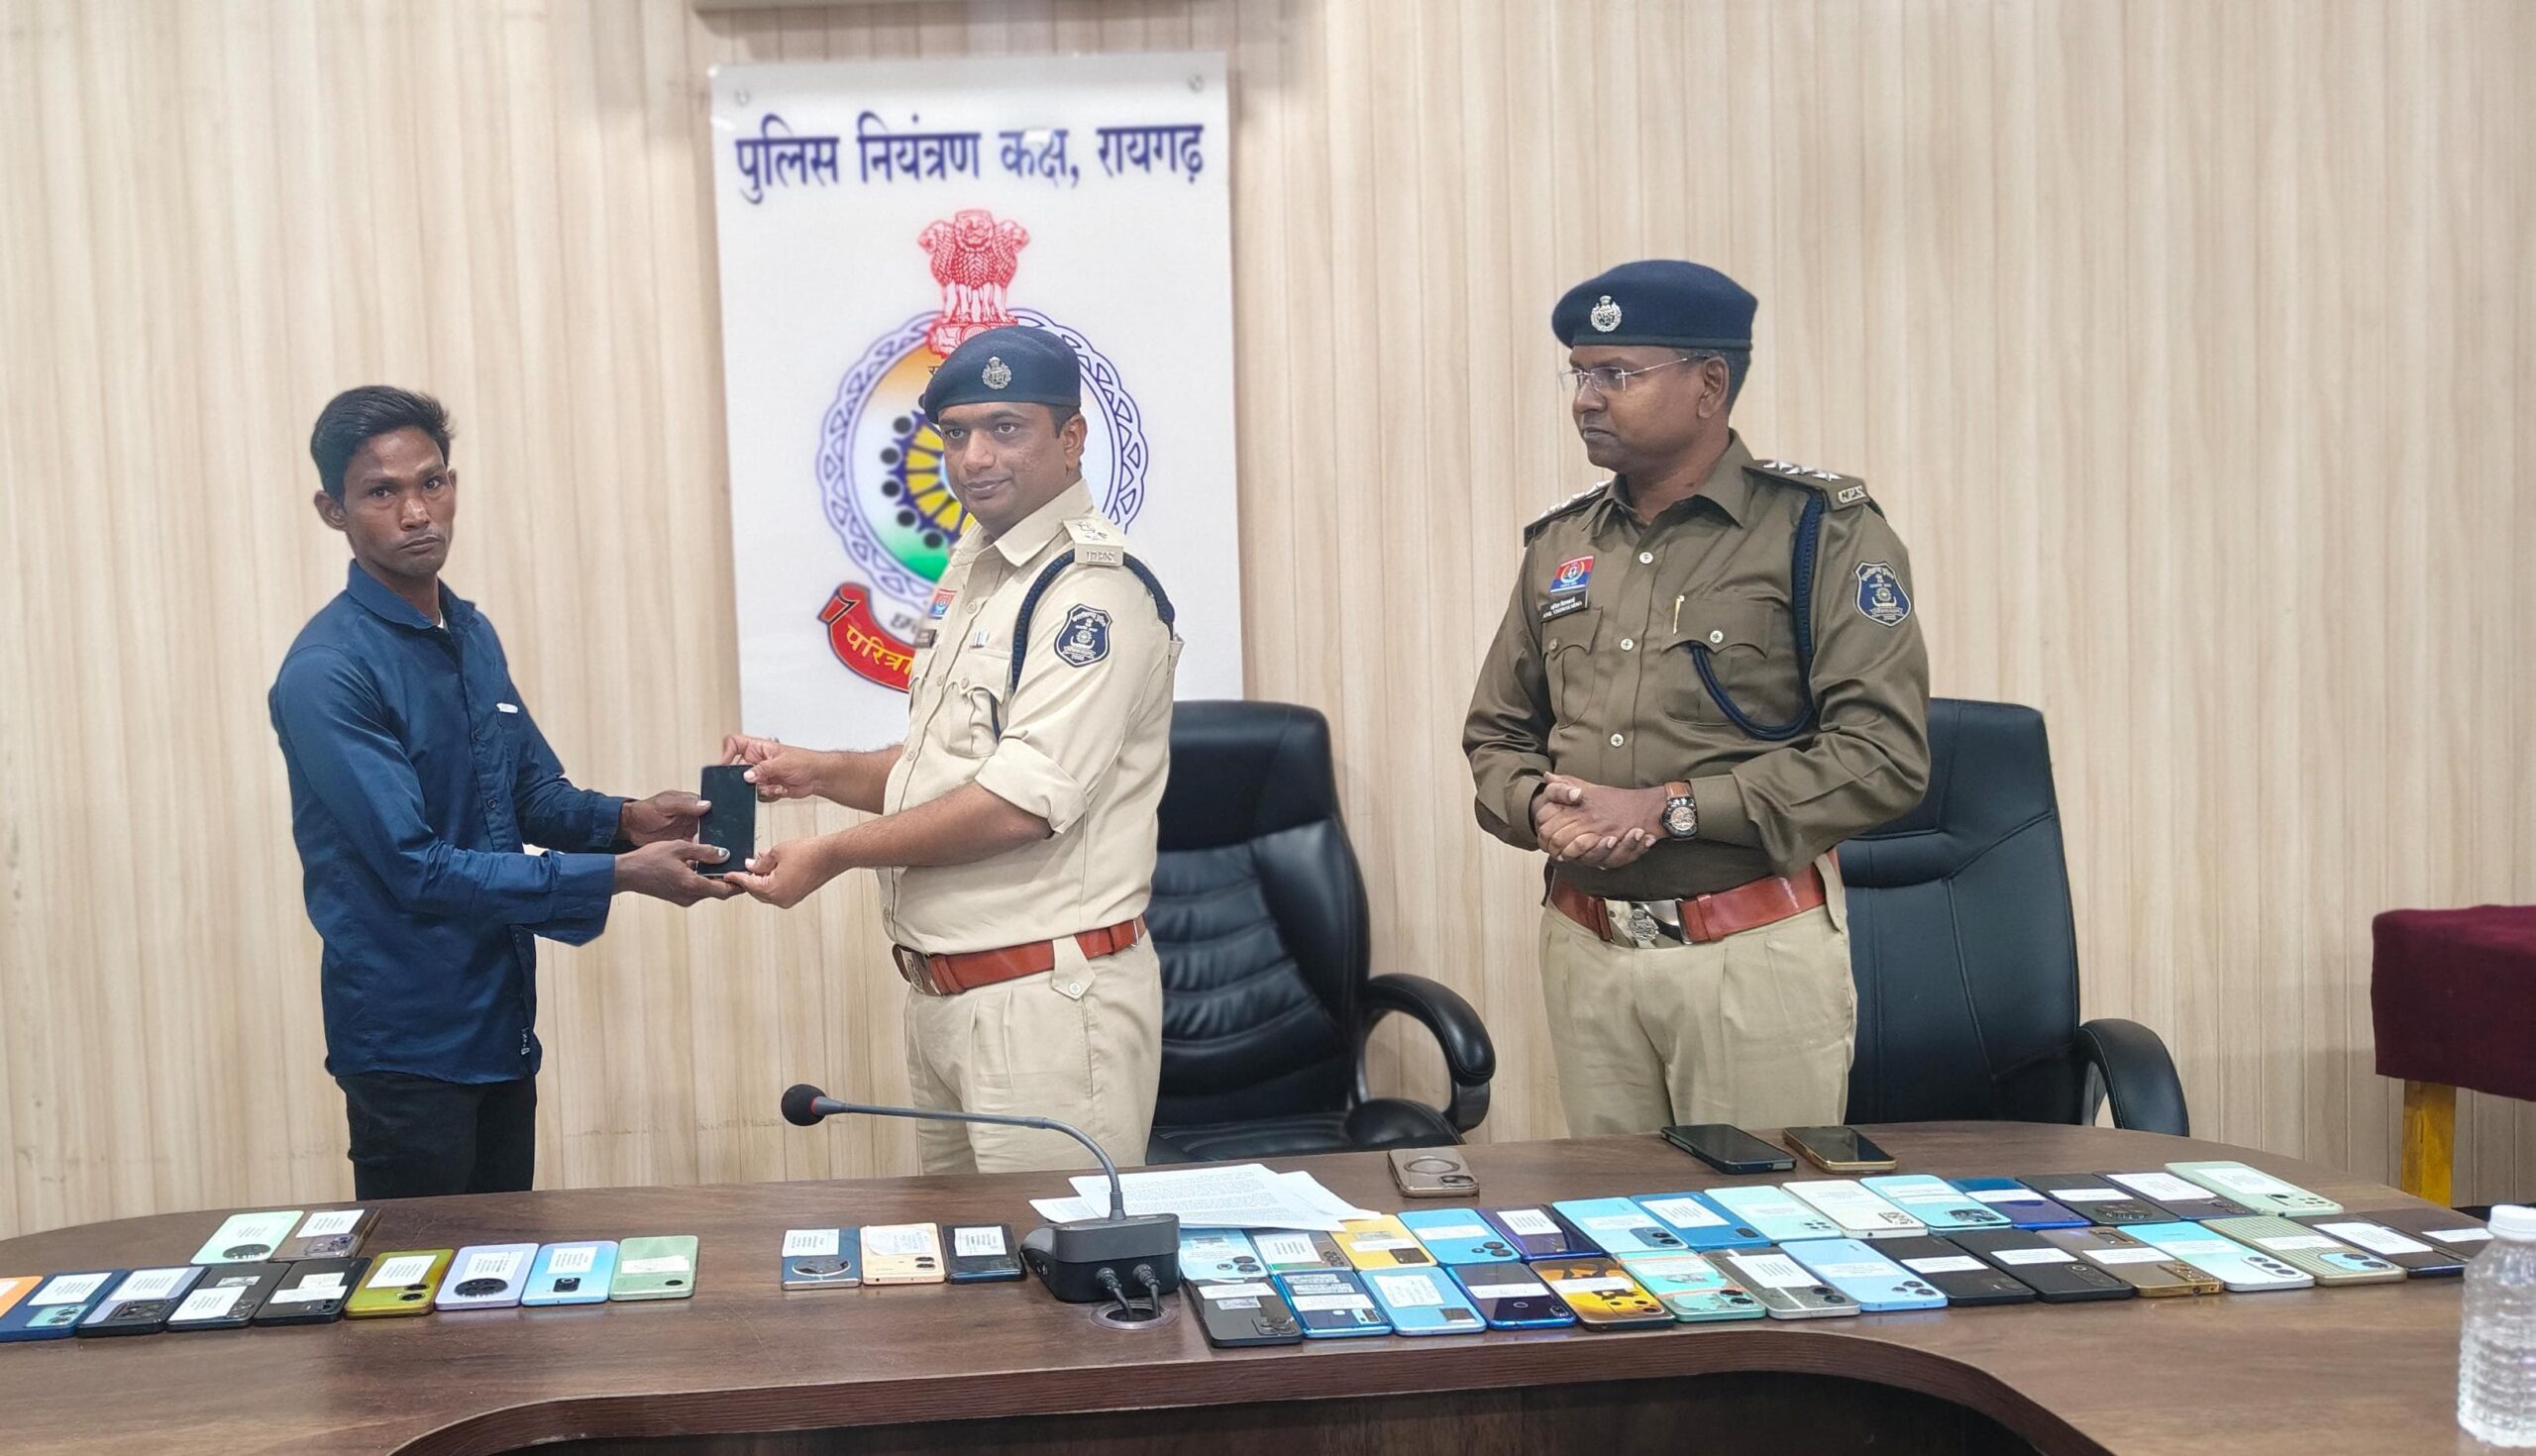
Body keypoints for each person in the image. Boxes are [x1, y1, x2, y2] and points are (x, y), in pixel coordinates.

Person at [1462, 260, 1932, 1135]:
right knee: (1611, 1215)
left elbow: (1882, 757)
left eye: (1617, 374)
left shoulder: (1820, 531)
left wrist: (1671, 809)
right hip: (1587, 951)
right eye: (1579, 374)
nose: (1586, 399)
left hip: (1750, 954)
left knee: (1763, 1216)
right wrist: (1538, 807)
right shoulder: (1561, 544)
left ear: (1709, 384)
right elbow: (1497, 733)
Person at [724, 326, 1179, 1175]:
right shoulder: (978, 572)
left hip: (1044, 1008)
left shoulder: (1093, 590)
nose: (975, 457)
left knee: (1051, 1254)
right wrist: (817, 772)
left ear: (1071, 438)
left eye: (1006, 428)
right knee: (966, 1256)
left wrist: (831, 854)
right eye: (956, 432)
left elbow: (1016, 806)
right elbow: (950, 771)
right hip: (946, 1000)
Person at [270, 386, 736, 1199]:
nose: (417, 512)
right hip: (407, 1044)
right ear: (332, 510)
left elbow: (526, 794)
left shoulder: (470, 632)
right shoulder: (327, 672)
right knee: (415, 1279)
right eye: (382, 492)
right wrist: (621, 874)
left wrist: (631, 820)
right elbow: (415, 866)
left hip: (502, 1022)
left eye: (432, 482)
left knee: (503, 1267)